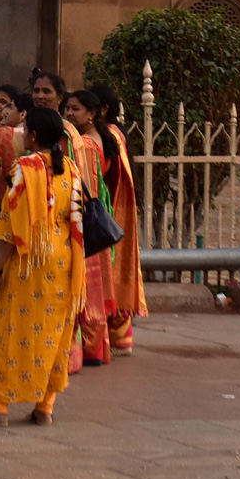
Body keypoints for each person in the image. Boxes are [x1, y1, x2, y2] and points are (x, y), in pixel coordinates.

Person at [0, 108, 85, 427]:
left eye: (25, 131)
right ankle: (45, 407)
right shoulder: (70, 167)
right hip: (63, 257)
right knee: (54, 333)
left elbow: (11, 226)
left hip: (29, 260)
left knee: (12, 330)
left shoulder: (24, 167)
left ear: (31, 136)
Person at [89, 82, 148, 355]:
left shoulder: (110, 133)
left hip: (111, 210)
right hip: (109, 209)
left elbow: (115, 177)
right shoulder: (107, 133)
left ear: (102, 110)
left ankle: (118, 335)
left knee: (111, 271)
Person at [64, 89, 118, 368]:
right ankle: (96, 348)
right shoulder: (106, 136)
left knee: (87, 284)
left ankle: (84, 348)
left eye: (76, 109)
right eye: (68, 108)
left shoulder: (84, 142)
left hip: (85, 215)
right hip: (98, 212)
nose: (70, 114)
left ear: (92, 113)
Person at [0, 92, 34, 197]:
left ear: (22, 114)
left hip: (7, 195)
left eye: (12, 108)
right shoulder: (38, 136)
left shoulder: (2, 134)